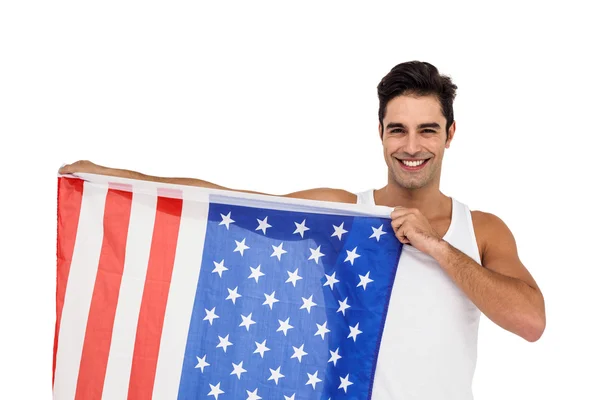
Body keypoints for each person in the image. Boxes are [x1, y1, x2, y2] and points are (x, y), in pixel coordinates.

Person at [59, 60, 545, 399]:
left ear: (450, 134)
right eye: (398, 129)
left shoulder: (480, 229)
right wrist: (118, 180)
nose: (411, 145)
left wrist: (434, 245)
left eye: (427, 130)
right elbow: (231, 201)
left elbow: (531, 323)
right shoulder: (344, 214)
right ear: (380, 133)